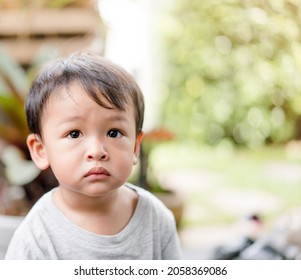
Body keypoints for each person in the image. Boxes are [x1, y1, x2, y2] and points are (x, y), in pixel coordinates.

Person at [5, 52, 182, 260]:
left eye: (114, 133)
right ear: (40, 150)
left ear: (135, 147)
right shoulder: (35, 238)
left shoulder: (156, 220)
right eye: (74, 134)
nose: (97, 151)